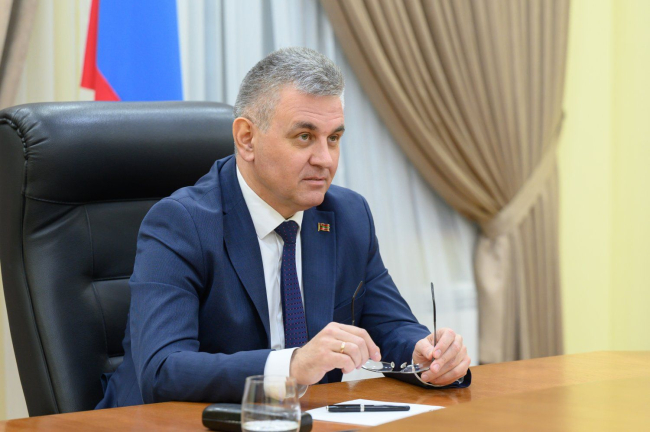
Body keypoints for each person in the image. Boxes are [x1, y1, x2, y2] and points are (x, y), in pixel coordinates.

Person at [96, 47, 471, 409]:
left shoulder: (348, 216)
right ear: (247, 139)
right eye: (304, 137)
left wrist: (427, 357)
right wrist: (291, 367)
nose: (324, 159)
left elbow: (391, 326)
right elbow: (162, 370)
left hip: (301, 419)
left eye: (333, 138)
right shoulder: (180, 223)